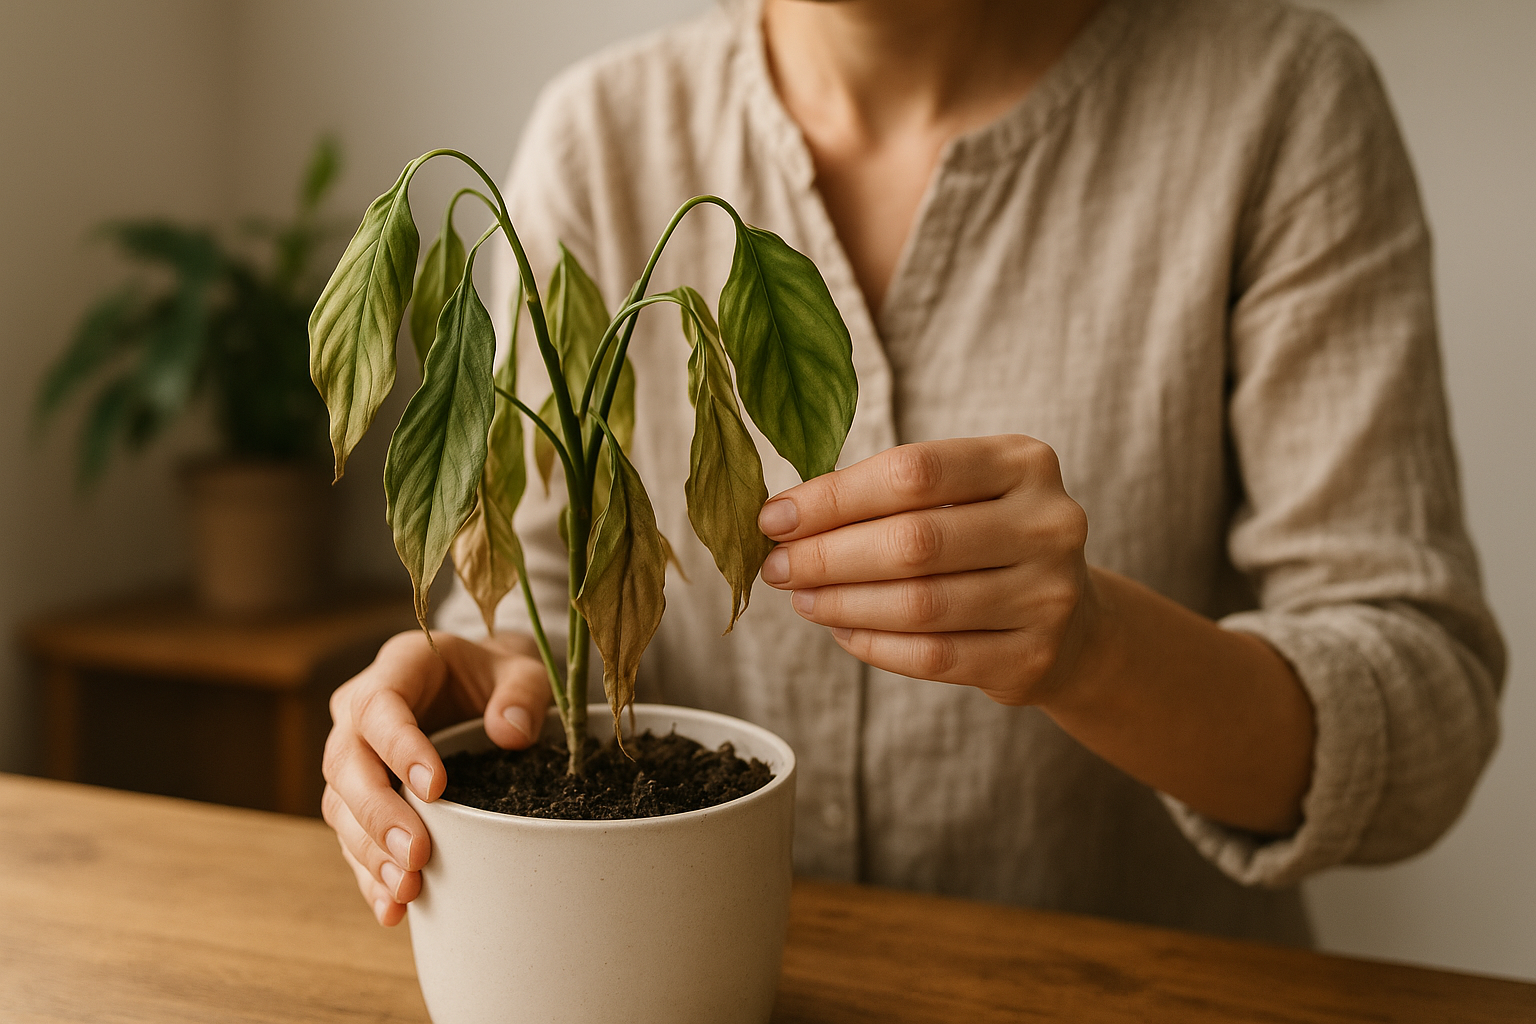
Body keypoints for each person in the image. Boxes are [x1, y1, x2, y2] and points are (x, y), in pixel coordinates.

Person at [320, 0, 1505, 943]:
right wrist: (482, 685)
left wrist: (1096, 649)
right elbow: (532, 590)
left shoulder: (1280, 102)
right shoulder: (601, 135)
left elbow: (1425, 718)